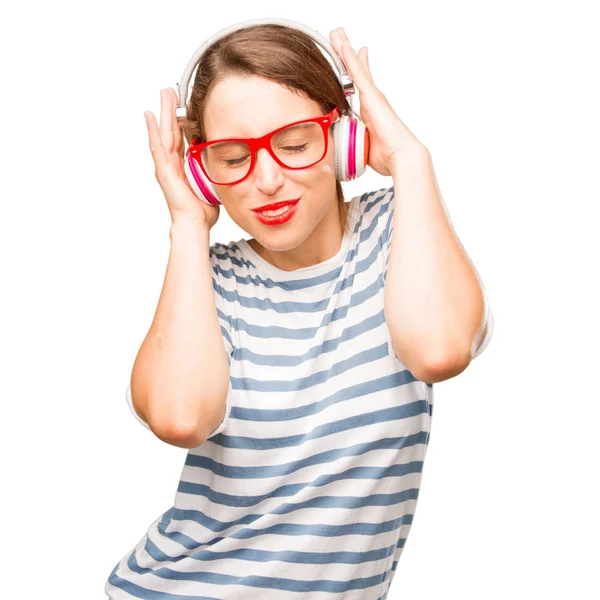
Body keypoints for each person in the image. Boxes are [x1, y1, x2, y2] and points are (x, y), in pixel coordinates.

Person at [105, 20, 494, 600]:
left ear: (343, 140)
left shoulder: (401, 229)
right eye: (232, 157)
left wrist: (411, 159)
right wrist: (188, 226)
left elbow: (438, 350)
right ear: (203, 171)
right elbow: (180, 418)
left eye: (294, 144)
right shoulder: (206, 283)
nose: (265, 180)